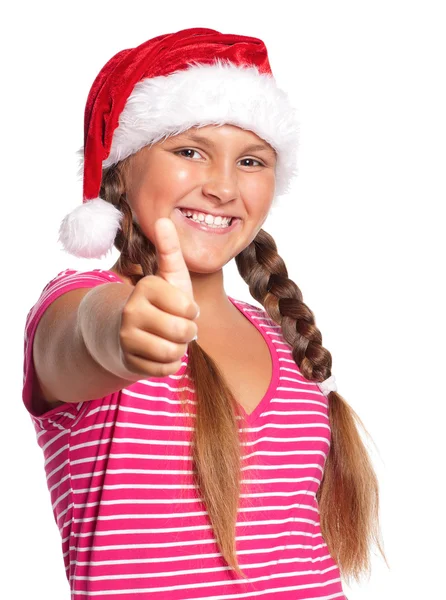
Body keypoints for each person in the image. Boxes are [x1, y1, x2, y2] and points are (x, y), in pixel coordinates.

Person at [22, 27, 387, 599]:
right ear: (121, 171)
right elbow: (82, 333)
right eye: (189, 151)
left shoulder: (286, 336)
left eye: (250, 160)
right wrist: (123, 334)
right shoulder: (78, 302)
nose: (222, 186)